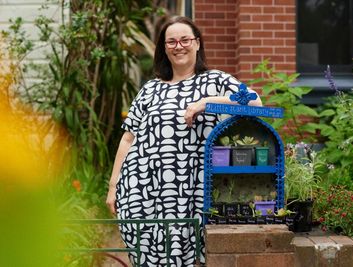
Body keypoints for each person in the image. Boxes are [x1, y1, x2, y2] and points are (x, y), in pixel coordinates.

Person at [106, 16, 262, 267]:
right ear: (164, 48)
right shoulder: (150, 89)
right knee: (147, 255)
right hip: (144, 189)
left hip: (192, 188)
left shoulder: (215, 80)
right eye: (171, 42)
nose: (178, 46)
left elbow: (255, 101)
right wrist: (113, 186)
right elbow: (128, 138)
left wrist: (206, 102)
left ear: (197, 43)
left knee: (194, 256)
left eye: (185, 39)